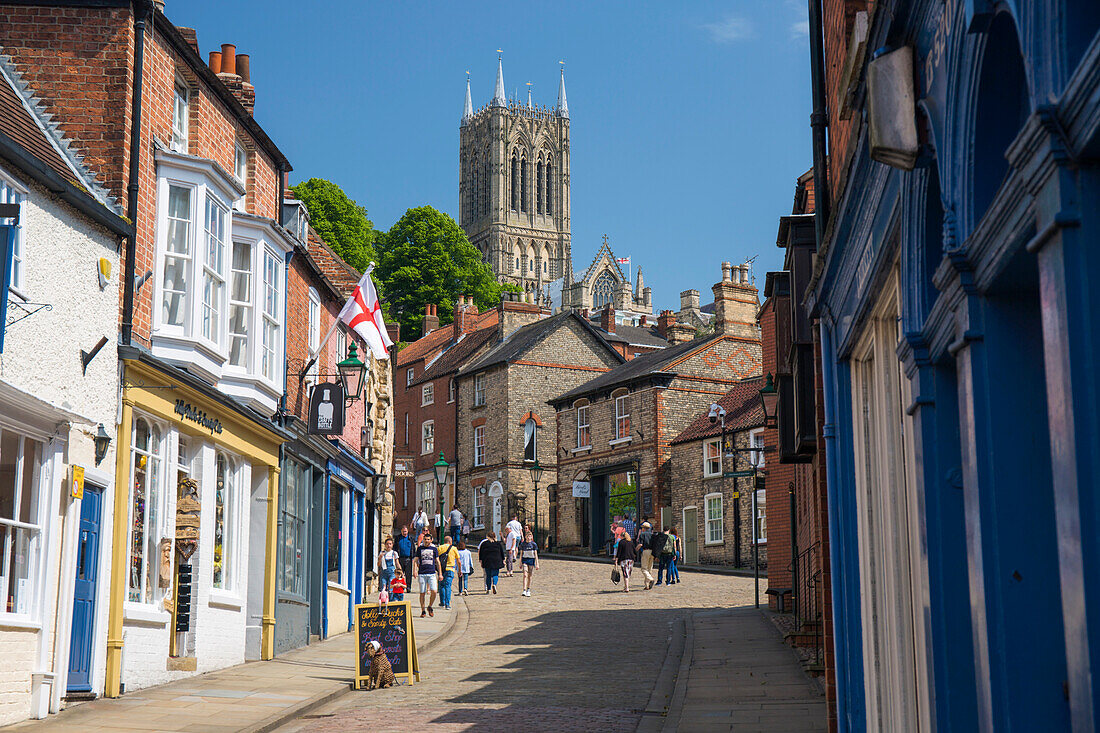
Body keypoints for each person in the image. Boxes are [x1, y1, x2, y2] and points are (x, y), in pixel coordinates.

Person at [411, 533, 441, 617]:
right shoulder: (420, 549)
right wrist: (415, 570)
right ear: (423, 540)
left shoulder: (434, 549)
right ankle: (423, 610)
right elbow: (415, 560)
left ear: (431, 540)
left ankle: (430, 606)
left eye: (428, 539)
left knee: (434, 591)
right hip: (422, 573)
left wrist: (440, 573)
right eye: (425, 539)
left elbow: (438, 562)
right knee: (422, 593)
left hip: (432, 573)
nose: (426, 541)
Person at [437, 537, 459, 610]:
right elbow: (458, 561)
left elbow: (436, 559)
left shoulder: (440, 548)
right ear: (450, 541)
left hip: (441, 569)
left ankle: (442, 602)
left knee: (441, 586)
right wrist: (460, 570)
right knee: (448, 586)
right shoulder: (454, 548)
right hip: (450, 569)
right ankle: (447, 604)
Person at [517, 529, 539, 597]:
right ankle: (524, 589)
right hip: (525, 560)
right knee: (525, 575)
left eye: (530, 536)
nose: (528, 537)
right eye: (527, 536)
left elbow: (535, 554)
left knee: (530, 576)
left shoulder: (533, 544)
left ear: (531, 537)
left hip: (531, 560)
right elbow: (521, 554)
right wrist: (520, 563)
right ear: (525, 536)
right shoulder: (523, 544)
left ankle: (528, 589)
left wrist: (537, 563)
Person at [636, 521, 656, 590]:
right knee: (649, 568)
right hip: (652, 552)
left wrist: (636, 549)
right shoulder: (652, 535)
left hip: (646, 551)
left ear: (644, 528)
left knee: (644, 569)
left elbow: (640, 544)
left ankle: (650, 579)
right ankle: (647, 585)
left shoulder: (642, 534)